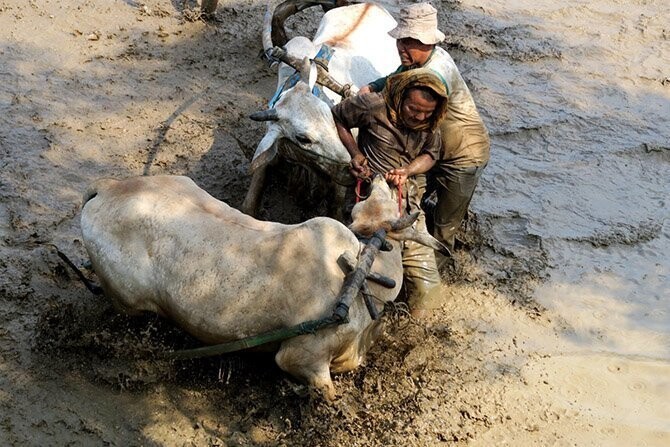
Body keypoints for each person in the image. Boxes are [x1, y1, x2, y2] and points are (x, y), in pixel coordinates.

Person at [359, 2, 490, 254]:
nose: (401, 47)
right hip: (436, 149)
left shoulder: (432, 77)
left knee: (444, 228)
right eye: (401, 40)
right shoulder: (419, 61)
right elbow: (396, 77)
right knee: (410, 201)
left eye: (410, 41)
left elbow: (400, 112)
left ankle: (441, 273)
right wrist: (372, 86)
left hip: (462, 156)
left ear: (428, 43)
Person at [331, 68, 448, 317]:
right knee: (351, 268)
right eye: (413, 109)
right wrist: (355, 153)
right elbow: (338, 116)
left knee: (427, 287)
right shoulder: (373, 105)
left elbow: (431, 154)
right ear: (400, 97)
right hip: (368, 201)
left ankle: (415, 326)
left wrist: (407, 170)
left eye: (426, 113)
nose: (419, 117)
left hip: (408, 205)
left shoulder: (432, 120)